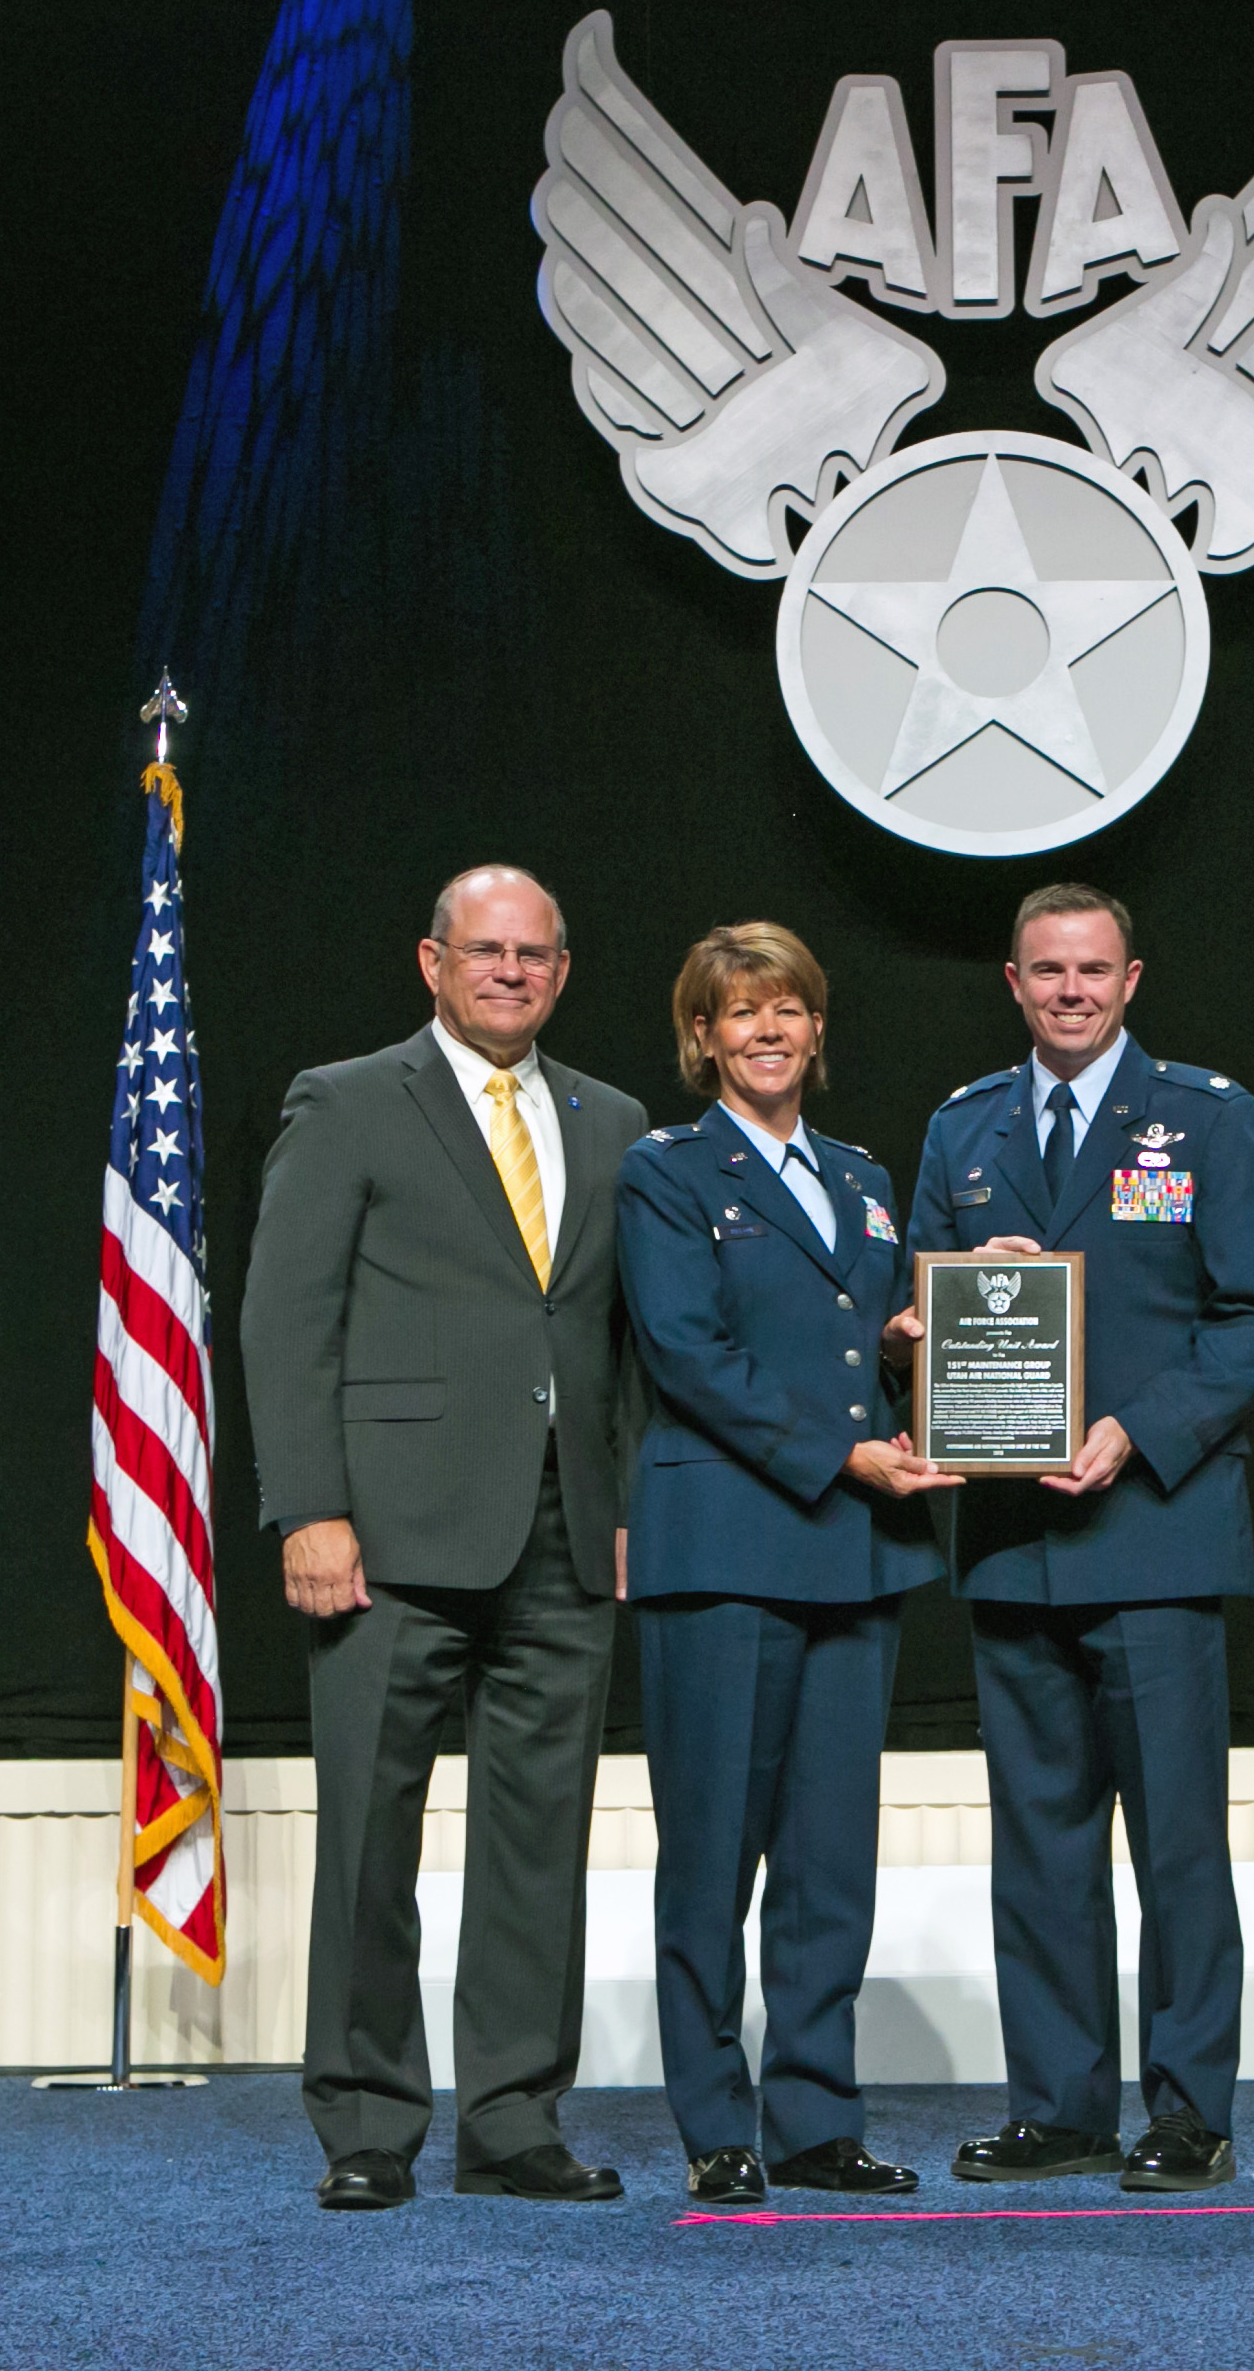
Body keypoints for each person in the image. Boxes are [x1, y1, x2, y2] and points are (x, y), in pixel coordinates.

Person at [243, 866, 647, 2212]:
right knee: (369, 1836)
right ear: (433, 962)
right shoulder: (349, 1100)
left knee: (541, 1839)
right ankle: (367, 2123)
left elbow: (621, 1345)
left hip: (564, 1533)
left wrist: (624, 1509)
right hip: (386, 1535)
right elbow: (285, 1320)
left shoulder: (613, 1120)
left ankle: (514, 2119)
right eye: (486, 951)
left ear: (563, 972)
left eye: (534, 954)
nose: (510, 972)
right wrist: (309, 1509)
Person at [898, 883, 1254, 2191]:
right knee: (1039, 1847)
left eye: (1092, 970)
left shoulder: (1205, 1118)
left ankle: (1188, 2114)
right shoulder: (962, 1128)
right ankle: (1060, 2109)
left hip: (1154, 1534)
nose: (1069, 991)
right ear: (1012, 983)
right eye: (1046, 971)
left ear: (1131, 981)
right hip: (1011, 1540)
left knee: (1175, 1845)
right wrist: (923, 1323)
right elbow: (914, 1309)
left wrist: (1136, 1428)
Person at [616, 923, 958, 2207]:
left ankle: (815, 2120)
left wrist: (924, 1339)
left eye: (788, 1010)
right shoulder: (664, 1172)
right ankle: (717, 2126)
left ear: (817, 1030)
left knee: (829, 1865)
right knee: (713, 1855)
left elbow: (853, 1343)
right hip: (726, 1548)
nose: (766, 1031)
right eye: (738, 1012)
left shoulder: (861, 1175)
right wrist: (843, 1455)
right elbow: (688, 1355)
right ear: (701, 1038)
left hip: (855, 1555)